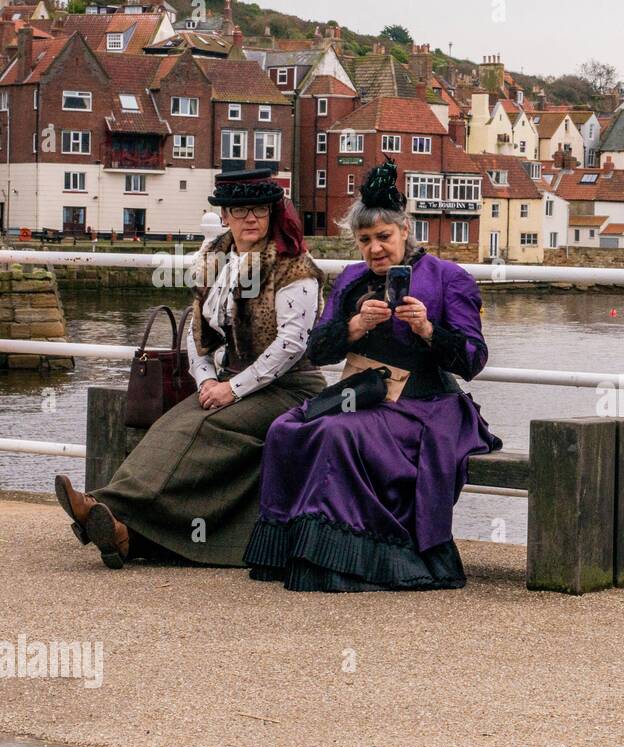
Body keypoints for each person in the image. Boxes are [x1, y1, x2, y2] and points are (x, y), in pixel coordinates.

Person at [244, 161, 502, 592]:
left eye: (384, 236)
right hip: (360, 396)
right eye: (365, 240)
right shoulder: (349, 280)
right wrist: (355, 327)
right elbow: (317, 351)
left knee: (337, 436)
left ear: (405, 230)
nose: (375, 249)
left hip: (427, 407)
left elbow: (473, 360)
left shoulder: (449, 278)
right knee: (284, 429)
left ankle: (352, 559)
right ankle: (302, 552)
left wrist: (427, 330)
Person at [54, 168, 326, 569]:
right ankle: (122, 532)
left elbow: (290, 346)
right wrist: (206, 380)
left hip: (291, 387)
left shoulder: (294, 267)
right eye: (239, 210)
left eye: (259, 210)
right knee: (172, 423)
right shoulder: (215, 259)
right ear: (226, 215)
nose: (250, 219)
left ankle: (105, 505)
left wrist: (231, 391)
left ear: (272, 213)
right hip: (232, 380)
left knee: (209, 426)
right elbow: (196, 330)